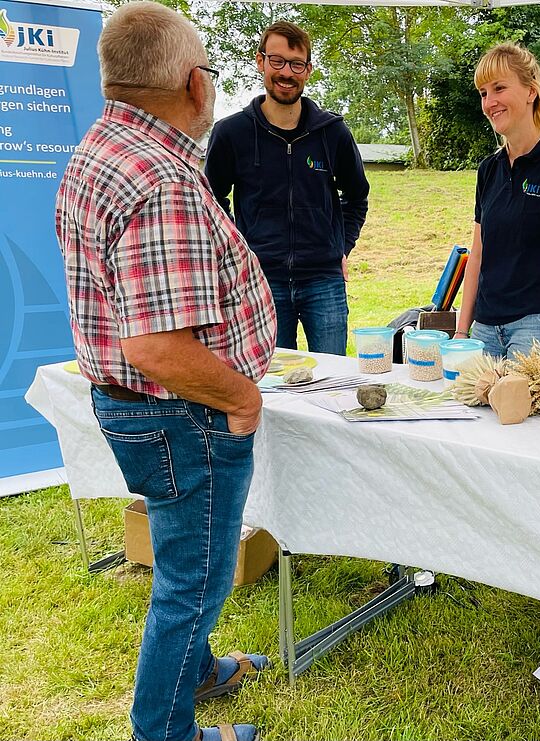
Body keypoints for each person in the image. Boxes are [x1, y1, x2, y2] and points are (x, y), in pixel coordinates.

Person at [55, 4, 277, 740]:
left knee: (188, 556)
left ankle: (202, 669)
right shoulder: (162, 178)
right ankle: (164, 729)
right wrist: (242, 397)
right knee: (196, 577)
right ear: (193, 82)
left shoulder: (101, 146)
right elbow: (155, 346)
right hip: (183, 413)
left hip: (139, 406)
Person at [205, 21, 369, 356]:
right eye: (277, 61)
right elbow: (212, 200)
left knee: (331, 378)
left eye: (296, 64)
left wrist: (341, 246)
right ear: (260, 61)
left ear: (308, 71)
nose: (286, 73)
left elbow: (357, 197)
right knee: (273, 384)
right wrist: (240, 251)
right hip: (262, 280)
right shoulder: (231, 133)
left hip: (324, 281)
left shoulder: (334, 133)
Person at [454, 42, 540, 359]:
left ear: (531, 92)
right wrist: (462, 332)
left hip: (536, 330)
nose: (489, 102)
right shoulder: (488, 169)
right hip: (483, 330)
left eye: (499, 88)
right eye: (483, 93)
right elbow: (477, 256)